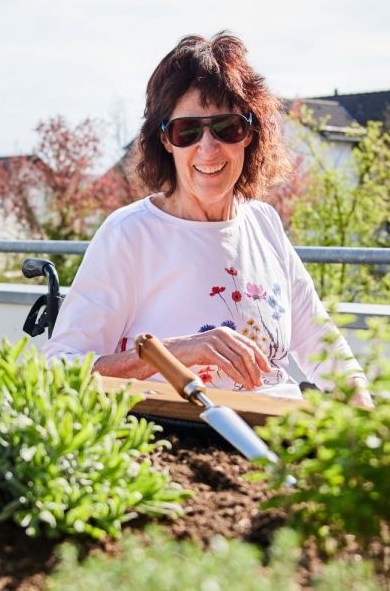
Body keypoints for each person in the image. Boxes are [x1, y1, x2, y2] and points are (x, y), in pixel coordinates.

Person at [45, 32, 370, 403]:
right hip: (185, 443)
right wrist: (175, 353)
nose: (208, 147)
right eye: (188, 131)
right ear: (165, 140)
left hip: (279, 437)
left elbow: (322, 346)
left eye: (226, 127)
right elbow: (60, 371)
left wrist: (368, 422)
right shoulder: (130, 235)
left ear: (250, 133)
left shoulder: (264, 223)